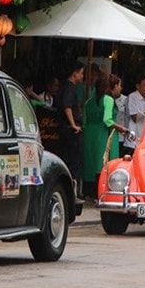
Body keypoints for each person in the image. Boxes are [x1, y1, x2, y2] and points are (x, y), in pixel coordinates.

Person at [56, 61, 85, 194]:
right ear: (75, 73)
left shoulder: (65, 87)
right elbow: (67, 106)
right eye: (81, 73)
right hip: (70, 129)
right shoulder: (69, 88)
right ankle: (71, 191)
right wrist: (73, 124)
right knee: (72, 161)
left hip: (67, 128)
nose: (82, 76)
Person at [123, 75, 145, 157]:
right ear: (137, 86)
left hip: (143, 140)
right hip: (131, 140)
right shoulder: (132, 97)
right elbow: (134, 118)